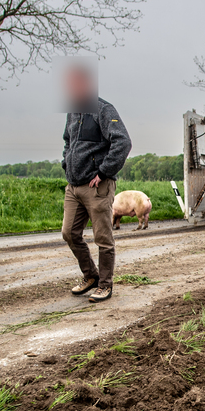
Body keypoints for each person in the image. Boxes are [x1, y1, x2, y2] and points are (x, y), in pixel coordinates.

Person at [61, 64, 133, 303]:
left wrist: (103, 172)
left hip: (96, 186)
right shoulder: (73, 112)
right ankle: (90, 276)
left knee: (103, 237)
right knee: (70, 233)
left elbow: (122, 142)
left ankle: (105, 285)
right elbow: (67, 142)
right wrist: (66, 164)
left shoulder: (103, 109)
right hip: (74, 186)